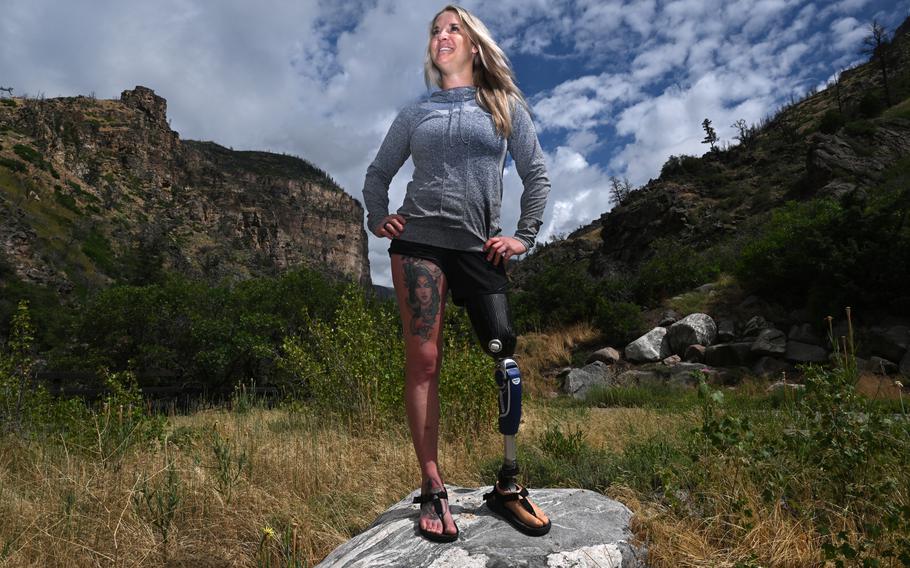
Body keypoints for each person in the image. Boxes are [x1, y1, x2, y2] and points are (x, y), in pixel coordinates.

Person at [362, 4, 551, 542]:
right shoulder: (415, 114)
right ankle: (431, 482)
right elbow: (378, 173)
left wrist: (524, 235)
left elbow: (536, 174)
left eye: (454, 29)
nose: (442, 37)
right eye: (435, 31)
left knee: (505, 352)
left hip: (478, 247)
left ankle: (508, 484)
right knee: (424, 358)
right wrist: (380, 215)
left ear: (473, 45)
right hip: (418, 242)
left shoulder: (504, 105)